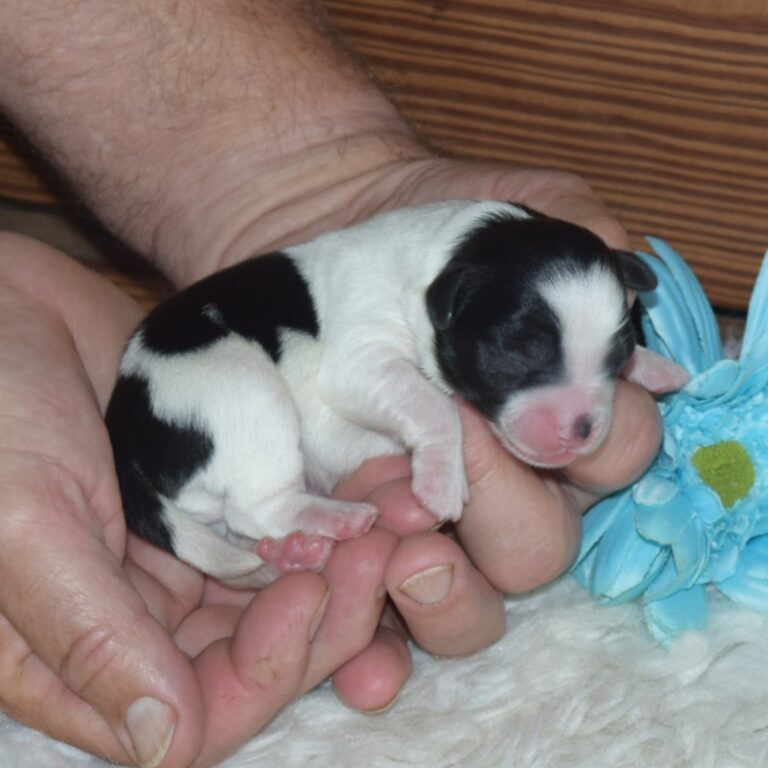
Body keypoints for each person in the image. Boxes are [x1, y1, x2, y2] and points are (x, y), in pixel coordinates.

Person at [0, 2, 662, 766]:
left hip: (233, 407)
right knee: (267, 421)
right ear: (450, 306)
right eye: (530, 354)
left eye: (604, 356)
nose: (582, 411)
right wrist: (434, 435)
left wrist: (628, 361)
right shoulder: (384, 288)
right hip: (191, 383)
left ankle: (262, 514)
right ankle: (269, 508)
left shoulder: (430, 271)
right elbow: (356, 374)